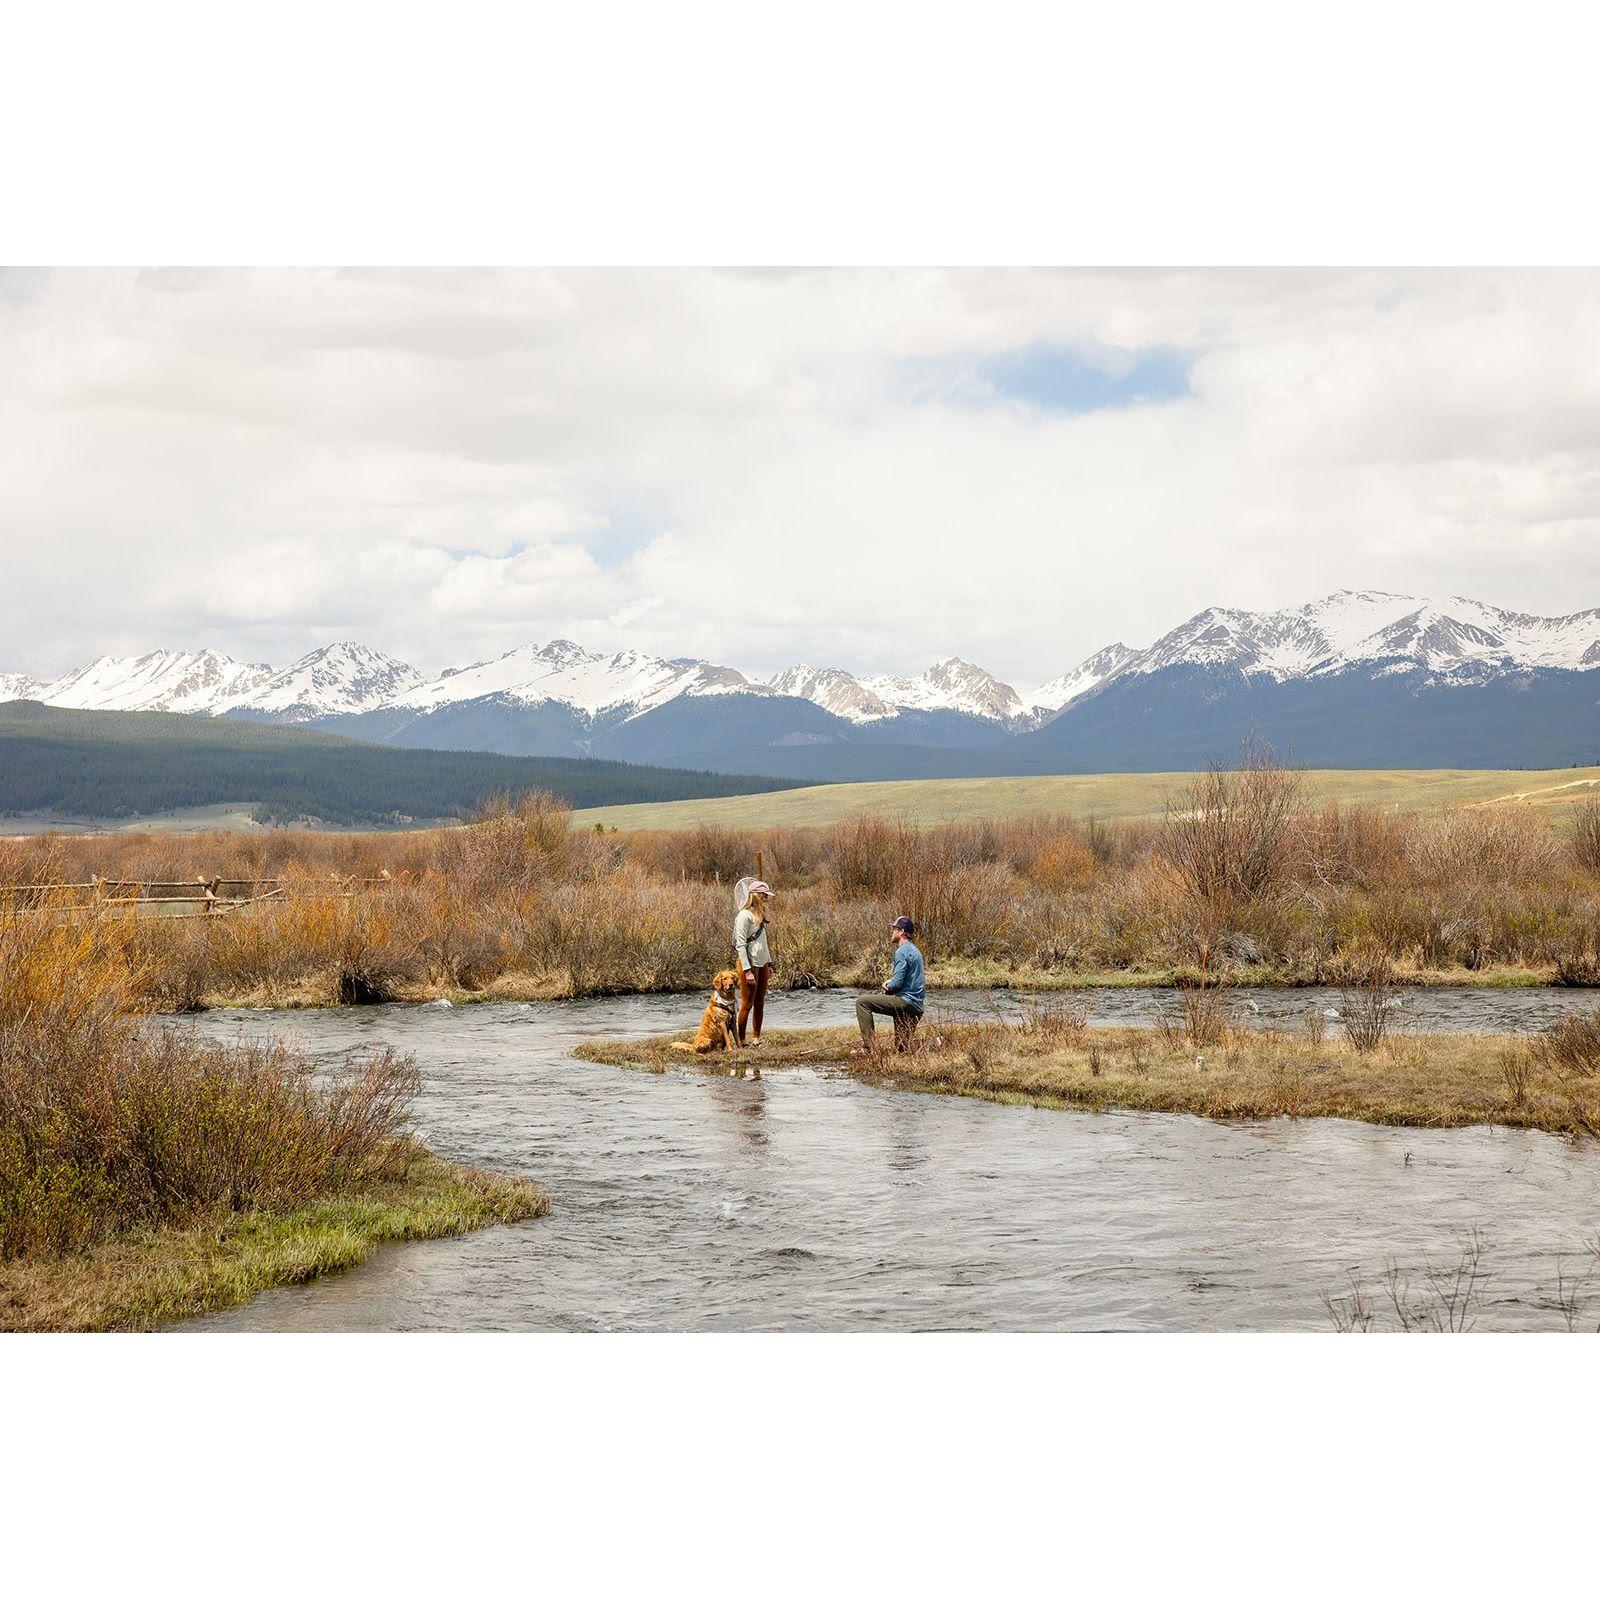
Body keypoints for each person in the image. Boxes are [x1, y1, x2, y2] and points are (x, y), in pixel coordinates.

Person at [855, 915, 924, 1052]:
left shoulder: (902, 952)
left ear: (902, 931)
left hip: (905, 1003)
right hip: (916, 1007)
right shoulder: (915, 951)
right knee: (901, 1048)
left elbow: (897, 984)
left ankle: (869, 1047)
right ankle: (934, 1043)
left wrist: (887, 985)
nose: (891, 932)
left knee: (862, 1002)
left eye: (894, 929)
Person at [733, 880, 776, 1045]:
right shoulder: (744, 915)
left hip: (762, 963)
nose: (766, 898)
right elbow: (740, 944)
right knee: (747, 1003)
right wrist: (747, 970)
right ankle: (742, 1040)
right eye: (764, 895)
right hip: (749, 965)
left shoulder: (760, 916)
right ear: (756, 896)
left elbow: (763, 943)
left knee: (760, 1002)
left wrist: (769, 964)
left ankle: (756, 1038)